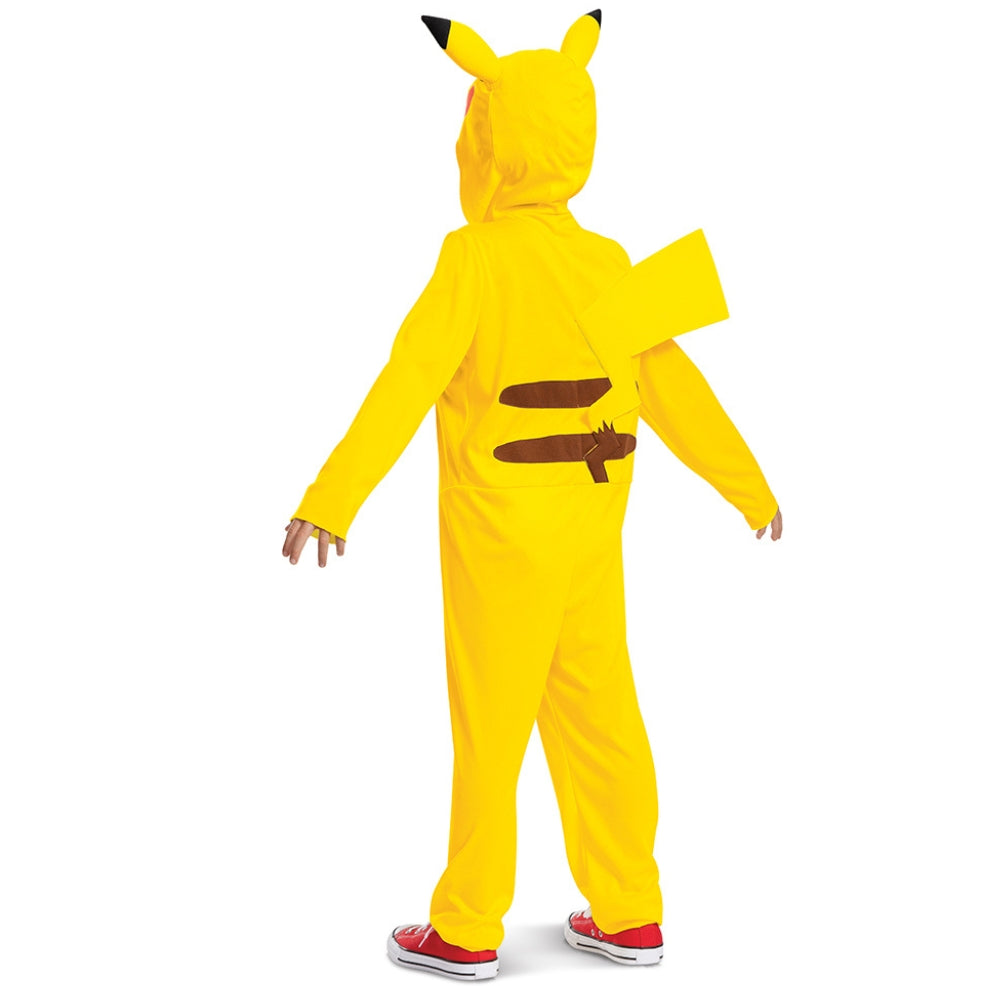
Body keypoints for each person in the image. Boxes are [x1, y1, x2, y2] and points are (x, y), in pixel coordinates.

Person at [282, 10, 782, 980]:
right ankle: (629, 910)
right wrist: (748, 485)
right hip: (588, 540)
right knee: (603, 718)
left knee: (492, 726)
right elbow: (676, 387)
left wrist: (330, 498)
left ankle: (468, 924)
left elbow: (405, 381)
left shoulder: (471, 258)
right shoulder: (608, 262)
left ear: (485, 140)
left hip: (499, 543)